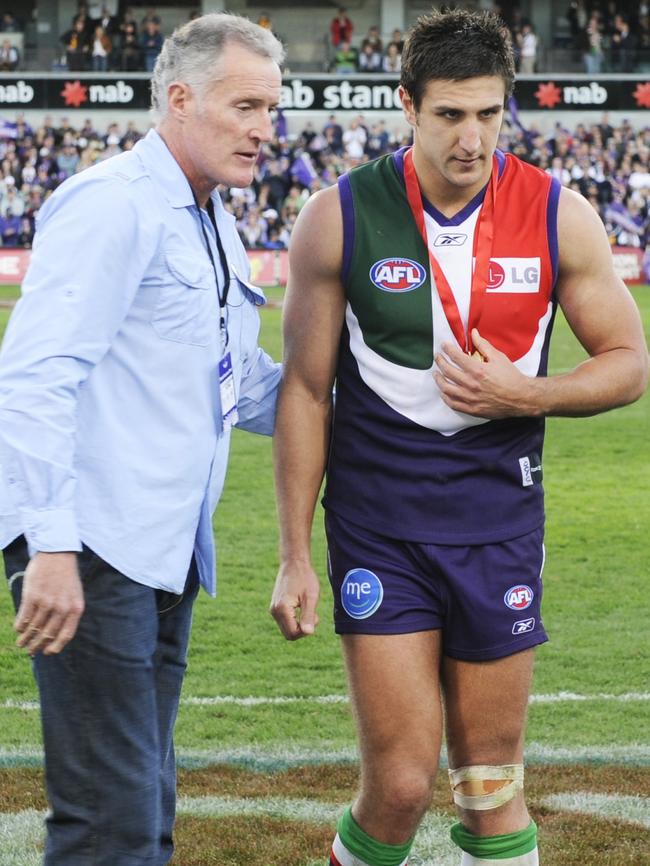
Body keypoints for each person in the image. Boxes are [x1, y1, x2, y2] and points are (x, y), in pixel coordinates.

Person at [270, 8, 648, 866]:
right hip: (380, 529)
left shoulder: (560, 214)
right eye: (449, 115)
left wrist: (531, 391)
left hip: (498, 527)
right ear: (407, 105)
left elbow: (629, 362)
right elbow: (303, 388)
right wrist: (294, 552)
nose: (472, 138)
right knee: (401, 788)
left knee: (489, 787)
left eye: (488, 114)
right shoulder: (339, 216)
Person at [0, 12, 283, 866]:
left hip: (163, 554)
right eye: (247, 107)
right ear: (181, 98)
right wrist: (49, 545)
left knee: (145, 806)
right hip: (91, 550)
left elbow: (240, 383)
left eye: (272, 110)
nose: (265, 131)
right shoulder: (113, 202)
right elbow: (34, 376)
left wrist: (388, 408)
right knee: (111, 821)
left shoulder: (211, 219)